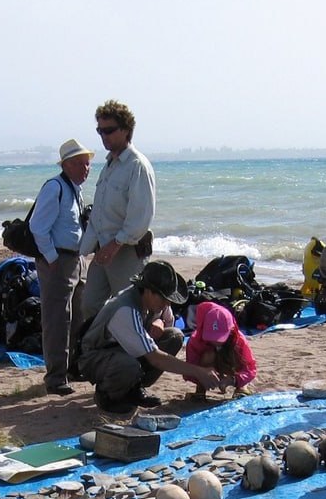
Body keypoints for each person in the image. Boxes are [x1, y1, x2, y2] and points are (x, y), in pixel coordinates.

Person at [77, 260, 224, 413]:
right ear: (148, 291)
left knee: (174, 336)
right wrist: (198, 371)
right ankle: (107, 395)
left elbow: (169, 323)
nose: (167, 303)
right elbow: (156, 358)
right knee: (128, 365)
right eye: (163, 298)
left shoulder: (156, 302)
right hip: (95, 356)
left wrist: (159, 321)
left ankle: (135, 388)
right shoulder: (125, 309)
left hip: (125, 350)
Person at [79, 100, 156, 318]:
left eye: (109, 130)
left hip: (126, 251)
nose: (104, 136)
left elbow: (140, 218)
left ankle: (136, 351)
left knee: (130, 312)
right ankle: (99, 351)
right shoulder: (109, 165)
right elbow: (99, 214)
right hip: (103, 250)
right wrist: (84, 250)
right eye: (100, 131)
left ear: (125, 130)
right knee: (90, 306)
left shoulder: (137, 166)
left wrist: (115, 245)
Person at [30, 138, 94, 396]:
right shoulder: (55, 187)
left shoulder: (73, 189)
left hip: (76, 259)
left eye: (87, 164)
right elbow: (37, 226)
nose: (85, 169)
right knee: (58, 320)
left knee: (79, 315)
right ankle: (56, 377)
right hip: (59, 260)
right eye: (80, 164)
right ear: (66, 165)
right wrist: (52, 257)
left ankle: (73, 368)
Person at [184, 301, 257, 398]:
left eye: (220, 337)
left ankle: (242, 387)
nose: (216, 341)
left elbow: (250, 368)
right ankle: (200, 390)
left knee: (236, 352)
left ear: (230, 331)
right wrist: (202, 374)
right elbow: (189, 369)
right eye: (212, 337)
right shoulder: (196, 340)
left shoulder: (238, 340)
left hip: (230, 366)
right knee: (208, 355)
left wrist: (233, 380)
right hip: (208, 371)